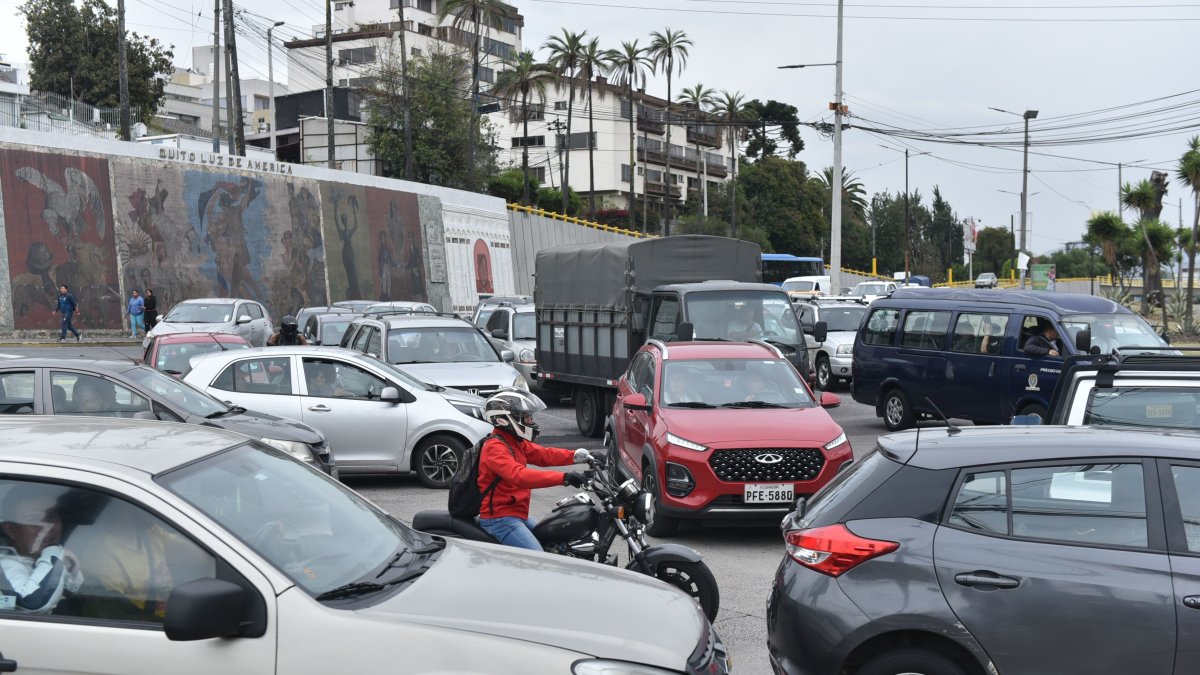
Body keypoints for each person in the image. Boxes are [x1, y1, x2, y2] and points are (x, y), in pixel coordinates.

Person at [476, 390, 591, 551]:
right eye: (527, 417)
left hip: (516, 514)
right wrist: (564, 477)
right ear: (506, 419)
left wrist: (580, 456)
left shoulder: (514, 442)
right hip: (500, 519)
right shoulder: (495, 447)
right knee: (539, 558)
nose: (531, 421)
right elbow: (519, 476)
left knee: (553, 540)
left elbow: (544, 455)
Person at [79, 501, 173, 622]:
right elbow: (113, 616)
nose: (158, 509)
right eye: (148, 502)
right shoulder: (104, 556)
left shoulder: (151, 533)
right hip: (147, 626)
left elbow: (195, 549)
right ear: (128, 508)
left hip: (168, 617)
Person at [0, 483, 84, 614]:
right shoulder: (5, 567)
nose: (47, 527)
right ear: (11, 530)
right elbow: (32, 604)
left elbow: (74, 592)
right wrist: (54, 555)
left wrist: (70, 567)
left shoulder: (50, 557)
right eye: (33, 520)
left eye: (51, 517)